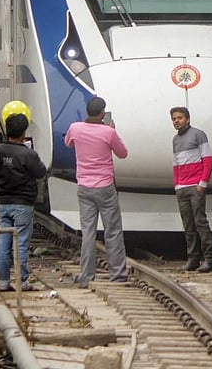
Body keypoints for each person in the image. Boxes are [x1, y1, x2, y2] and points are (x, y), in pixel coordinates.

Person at [64, 96, 130, 287]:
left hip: (84, 187)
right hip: (105, 187)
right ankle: (117, 274)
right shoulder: (108, 132)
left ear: (87, 111)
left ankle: (86, 276)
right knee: (113, 231)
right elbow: (123, 153)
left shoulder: (75, 128)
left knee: (88, 232)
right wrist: (113, 130)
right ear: (102, 113)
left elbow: (68, 143)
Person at [0, 102, 47, 292]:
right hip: (23, 205)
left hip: (4, 203)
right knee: (21, 243)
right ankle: (21, 281)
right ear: (24, 132)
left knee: (3, 242)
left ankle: (3, 282)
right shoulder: (28, 154)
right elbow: (40, 172)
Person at [170, 107, 212, 272]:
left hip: (195, 186)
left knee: (200, 222)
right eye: (174, 119)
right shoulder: (175, 140)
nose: (176, 121)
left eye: (180, 118)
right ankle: (193, 259)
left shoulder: (198, 135)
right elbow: (176, 164)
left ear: (187, 119)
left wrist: (203, 183)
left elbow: (208, 159)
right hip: (182, 188)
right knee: (188, 224)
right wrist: (177, 185)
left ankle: (209, 259)